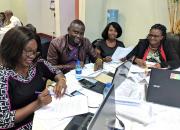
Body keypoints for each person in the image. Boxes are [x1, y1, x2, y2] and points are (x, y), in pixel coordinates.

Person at [0, 26, 67, 129]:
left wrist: (61, 80)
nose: (32, 56)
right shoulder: (3, 76)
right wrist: (37, 104)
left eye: (35, 52)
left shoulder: (37, 63)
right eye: (28, 51)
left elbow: (56, 71)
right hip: (23, 126)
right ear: (13, 49)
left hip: (45, 117)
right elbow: (3, 120)